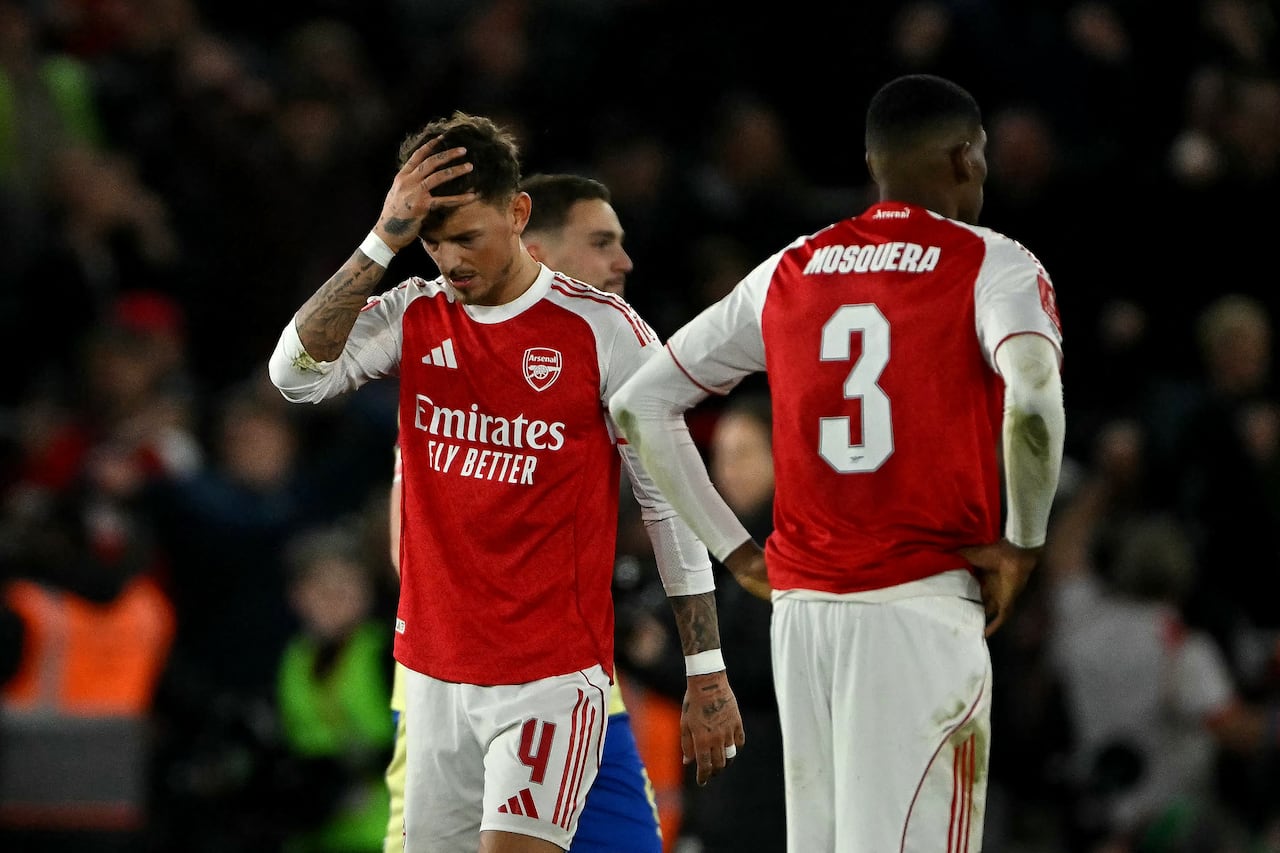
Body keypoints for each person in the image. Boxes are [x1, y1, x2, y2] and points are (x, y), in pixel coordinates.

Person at [609, 73, 1067, 852]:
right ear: (964, 157)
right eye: (981, 158)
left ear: (873, 161)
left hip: (805, 621)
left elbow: (638, 405)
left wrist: (739, 552)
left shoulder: (792, 268)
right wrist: (1023, 541)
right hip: (916, 606)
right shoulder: (993, 263)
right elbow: (1032, 395)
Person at [268, 111, 743, 853]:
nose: (449, 261)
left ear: (519, 214)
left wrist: (706, 667)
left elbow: (668, 502)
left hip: (547, 678)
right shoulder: (415, 313)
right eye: (431, 241)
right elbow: (292, 376)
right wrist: (381, 240)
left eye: (468, 238)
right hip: (430, 672)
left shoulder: (604, 331)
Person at [381, 172, 663, 853]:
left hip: (579, 688)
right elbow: (404, 547)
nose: (621, 262)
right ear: (532, 245)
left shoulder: (607, 351)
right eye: (601, 243)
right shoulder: (450, 359)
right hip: (453, 684)